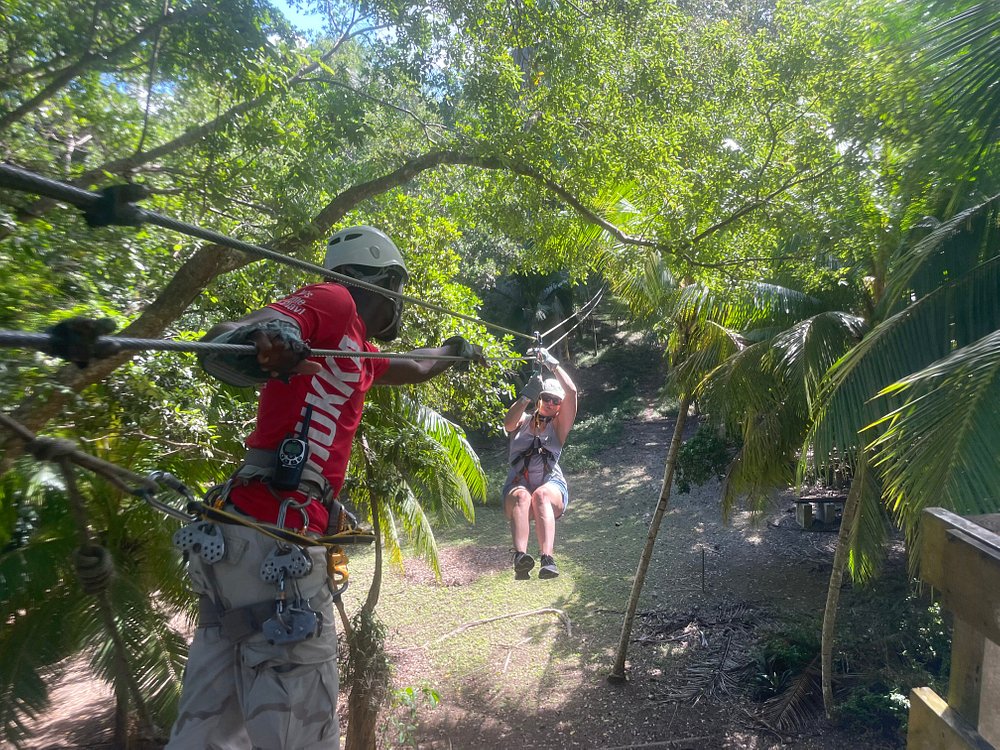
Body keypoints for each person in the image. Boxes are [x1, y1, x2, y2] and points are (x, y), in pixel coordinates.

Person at [166, 225, 484, 750]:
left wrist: (452, 351)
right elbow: (254, 325)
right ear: (379, 281)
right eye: (397, 289)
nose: (399, 303)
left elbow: (410, 366)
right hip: (278, 543)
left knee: (208, 732)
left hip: (241, 545)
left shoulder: (351, 349)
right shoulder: (334, 300)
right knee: (300, 733)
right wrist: (261, 340)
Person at [502, 347, 577, 580]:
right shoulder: (522, 421)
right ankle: (520, 558)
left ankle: (547, 559)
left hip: (550, 484)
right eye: (545, 397)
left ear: (559, 407)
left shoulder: (558, 427)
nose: (550, 403)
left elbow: (572, 392)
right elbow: (507, 424)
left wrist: (552, 364)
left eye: (556, 401)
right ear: (539, 398)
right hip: (518, 482)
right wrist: (526, 396)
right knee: (523, 497)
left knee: (541, 495)